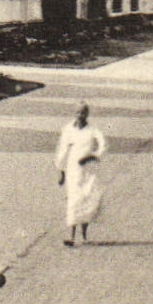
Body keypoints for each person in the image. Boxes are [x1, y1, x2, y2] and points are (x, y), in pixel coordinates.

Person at [55, 102, 106, 247]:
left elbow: (103, 144)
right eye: (78, 112)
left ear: (87, 114)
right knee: (73, 199)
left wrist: (92, 156)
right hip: (73, 169)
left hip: (89, 169)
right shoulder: (68, 129)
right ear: (74, 113)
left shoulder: (92, 130)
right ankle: (71, 236)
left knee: (88, 198)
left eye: (83, 113)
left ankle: (84, 235)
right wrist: (61, 170)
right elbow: (62, 150)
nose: (80, 115)